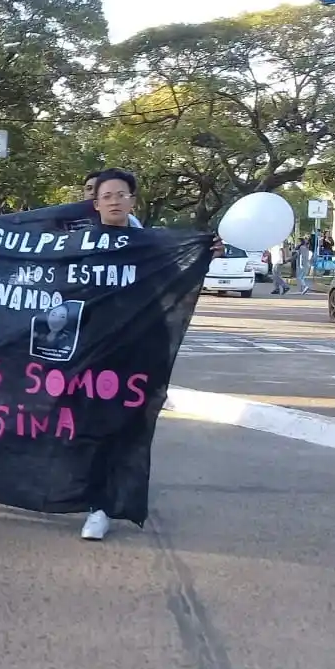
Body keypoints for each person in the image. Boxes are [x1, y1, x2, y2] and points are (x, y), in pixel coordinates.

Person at [79, 170, 223, 542]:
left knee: (127, 428)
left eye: (121, 194)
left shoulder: (152, 245)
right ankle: (91, 499)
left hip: (139, 351)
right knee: (91, 428)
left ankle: (103, 507)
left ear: (132, 201)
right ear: (96, 204)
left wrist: (204, 255)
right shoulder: (79, 244)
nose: (114, 201)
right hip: (93, 352)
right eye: (106, 195)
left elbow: (177, 281)